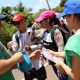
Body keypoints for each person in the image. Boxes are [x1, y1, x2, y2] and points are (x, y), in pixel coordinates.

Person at [0, 14, 41, 80]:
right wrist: (11, 49)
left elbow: (41, 45)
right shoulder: (15, 36)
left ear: (23, 21)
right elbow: (15, 53)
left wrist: (31, 48)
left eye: (18, 22)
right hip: (26, 65)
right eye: (14, 23)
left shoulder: (33, 32)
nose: (16, 25)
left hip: (37, 64)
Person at [48, 0, 80, 80]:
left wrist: (61, 64)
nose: (65, 20)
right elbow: (75, 53)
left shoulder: (73, 41)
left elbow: (75, 76)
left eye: (65, 17)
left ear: (72, 17)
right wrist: (55, 53)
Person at [35, 10, 68, 80]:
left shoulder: (56, 32)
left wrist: (60, 66)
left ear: (48, 20)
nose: (39, 23)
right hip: (54, 64)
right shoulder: (44, 32)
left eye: (41, 21)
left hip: (62, 64)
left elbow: (61, 49)